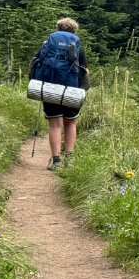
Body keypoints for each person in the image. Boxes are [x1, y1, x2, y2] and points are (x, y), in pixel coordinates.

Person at [30, 18, 89, 170]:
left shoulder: (47, 44)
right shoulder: (77, 45)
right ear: (74, 31)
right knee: (70, 122)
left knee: (55, 124)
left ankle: (56, 161)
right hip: (71, 90)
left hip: (49, 88)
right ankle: (69, 159)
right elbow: (84, 70)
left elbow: (36, 63)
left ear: (58, 29)